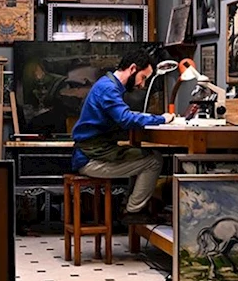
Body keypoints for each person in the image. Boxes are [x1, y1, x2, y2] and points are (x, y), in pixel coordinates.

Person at [71, 49, 174, 224]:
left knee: (140, 155)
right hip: (91, 159)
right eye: (143, 77)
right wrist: (162, 119)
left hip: (96, 153)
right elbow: (125, 119)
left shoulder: (108, 85)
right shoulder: (108, 89)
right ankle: (132, 211)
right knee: (154, 161)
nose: (142, 84)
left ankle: (130, 206)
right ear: (132, 68)